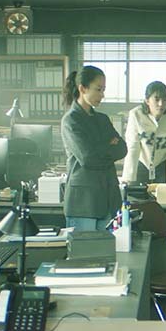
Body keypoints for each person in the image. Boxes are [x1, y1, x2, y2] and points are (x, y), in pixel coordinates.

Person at [61, 65, 127, 232]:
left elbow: (122, 149)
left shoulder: (102, 119)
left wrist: (99, 150)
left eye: (103, 90)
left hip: (108, 199)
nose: (102, 95)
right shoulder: (71, 120)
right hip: (83, 203)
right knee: (85, 249)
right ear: (82, 88)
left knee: (109, 248)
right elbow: (88, 158)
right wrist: (108, 146)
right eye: (98, 89)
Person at [121, 81, 166, 184]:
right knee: (136, 192)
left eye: (165, 100)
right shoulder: (136, 115)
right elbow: (133, 148)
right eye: (157, 99)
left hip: (162, 165)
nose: (161, 104)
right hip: (141, 164)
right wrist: (128, 179)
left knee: (165, 193)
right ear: (147, 100)